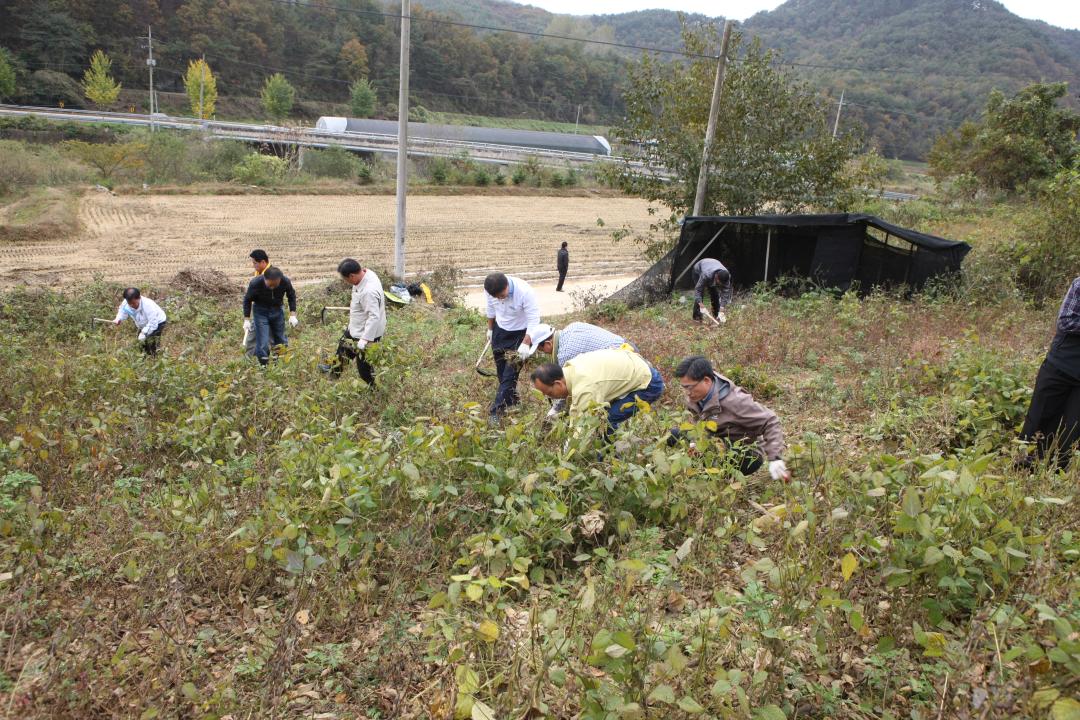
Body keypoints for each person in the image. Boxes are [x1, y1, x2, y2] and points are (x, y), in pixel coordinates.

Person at [669, 355, 789, 480]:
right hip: (713, 440)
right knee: (674, 435)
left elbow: (770, 420)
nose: (687, 392)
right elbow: (696, 422)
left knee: (741, 461)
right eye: (684, 387)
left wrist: (775, 458)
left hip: (743, 450)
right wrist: (695, 442)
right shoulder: (694, 397)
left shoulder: (736, 401)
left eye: (690, 387)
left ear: (706, 380)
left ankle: (715, 476)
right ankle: (703, 467)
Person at [1019, 277, 1080, 467]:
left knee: (1073, 431)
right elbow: (1065, 321)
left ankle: (1057, 477)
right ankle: (1024, 466)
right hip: (1060, 365)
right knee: (1039, 420)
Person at [530, 348, 664, 432]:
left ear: (558, 383)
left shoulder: (586, 388)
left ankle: (609, 462)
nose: (552, 398)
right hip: (633, 365)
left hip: (647, 383)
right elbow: (576, 407)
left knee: (604, 422)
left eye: (550, 394)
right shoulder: (569, 368)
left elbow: (582, 428)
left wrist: (566, 456)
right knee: (602, 415)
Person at [485, 272, 541, 422]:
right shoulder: (491, 289)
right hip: (500, 331)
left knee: (510, 374)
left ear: (507, 286)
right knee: (502, 373)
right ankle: (512, 400)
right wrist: (490, 329)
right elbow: (490, 309)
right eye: (496, 297)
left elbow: (534, 320)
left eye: (502, 295)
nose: (499, 299)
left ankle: (495, 412)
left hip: (520, 334)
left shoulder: (525, 292)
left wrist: (526, 342)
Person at [326, 258, 386, 387]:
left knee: (364, 369)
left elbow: (373, 316)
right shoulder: (367, 274)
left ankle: (375, 391)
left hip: (367, 334)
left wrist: (365, 339)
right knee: (341, 356)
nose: (346, 282)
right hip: (355, 328)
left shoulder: (368, 291)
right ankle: (331, 381)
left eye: (346, 279)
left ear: (352, 276)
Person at [242, 266, 297, 366]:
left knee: (280, 340)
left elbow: (291, 295)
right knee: (262, 343)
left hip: (277, 311)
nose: (272, 287)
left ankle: (279, 364)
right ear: (265, 279)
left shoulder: (285, 281)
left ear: (279, 280)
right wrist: (246, 319)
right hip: (260, 312)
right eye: (270, 285)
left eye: (275, 285)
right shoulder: (256, 283)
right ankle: (264, 366)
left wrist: (292, 314)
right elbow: (247, 300)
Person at [113, 287, 167, 356]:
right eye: (129, 303)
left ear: (139, 298)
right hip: (143, 323)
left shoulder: (148, 305)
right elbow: (122, 311)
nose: (131, 305)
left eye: (133, 303)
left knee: (151, 342)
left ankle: (154, 357)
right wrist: (118, 319)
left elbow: (153, 323)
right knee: (141, 344)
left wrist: (144, 333)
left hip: (158, 322)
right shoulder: (126, 303)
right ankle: (143, 358)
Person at [245, 249, 272, 356]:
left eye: (255, 263)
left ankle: (273, 364)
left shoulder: (270, 275)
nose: (253, 265)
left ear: (263, 262)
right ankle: (250, 360)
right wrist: (246, 318)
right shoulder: (259, 273)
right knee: (252, 339)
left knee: (271, 340)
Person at [691, 257, 733, 324]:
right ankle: (697, 317)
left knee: (714, 293)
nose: (721, 285)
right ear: (716, 277)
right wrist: (701, 305)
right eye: (720, 283)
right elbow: (698, 290)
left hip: (712, 265)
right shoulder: (706, 274)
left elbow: (725, 293)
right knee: (701, 293)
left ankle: (717, 316)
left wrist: (722, 310)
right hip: (698, 270)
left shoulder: (727, 277)